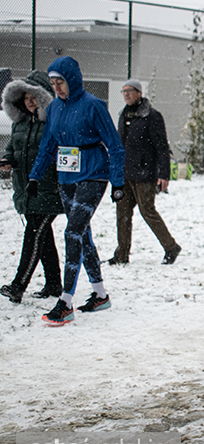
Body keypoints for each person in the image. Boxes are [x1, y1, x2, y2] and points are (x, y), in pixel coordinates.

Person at [28, 56, 126, 324]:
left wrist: (118, 182)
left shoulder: (94, 106)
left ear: (72, 79)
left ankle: (66, 301)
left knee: (72, 231)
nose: (57, 87)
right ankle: (100, 295)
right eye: (52, 83)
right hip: (66, 176)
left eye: (60, 82)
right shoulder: (55, 109)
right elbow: (48, 144)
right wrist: (34, 177)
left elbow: (115, 146)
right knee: (83, 235)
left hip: (94, 175)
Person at [0, 71, 63, 303]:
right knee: (43, 237)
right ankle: (55, 284)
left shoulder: (53, 123)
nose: (29, 101)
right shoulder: (20, 123)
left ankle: (18, 285)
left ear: (43, 97)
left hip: (49, 189)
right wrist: (8, 160)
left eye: (33, 97)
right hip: (26, 188)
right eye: (25, 97)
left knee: (34, 234)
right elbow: (12, 148)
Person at [109, 79, 181, 266]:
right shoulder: (123, 114)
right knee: (122, 213)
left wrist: (164, 174)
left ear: (139, 93)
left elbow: (162, 147)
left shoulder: (152, 116)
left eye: (130, 91)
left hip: (145, 173)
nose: (126, 94)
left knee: (147, 211)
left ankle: (171, 247)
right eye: (123, 91)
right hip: (125, 173)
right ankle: (121, 254)